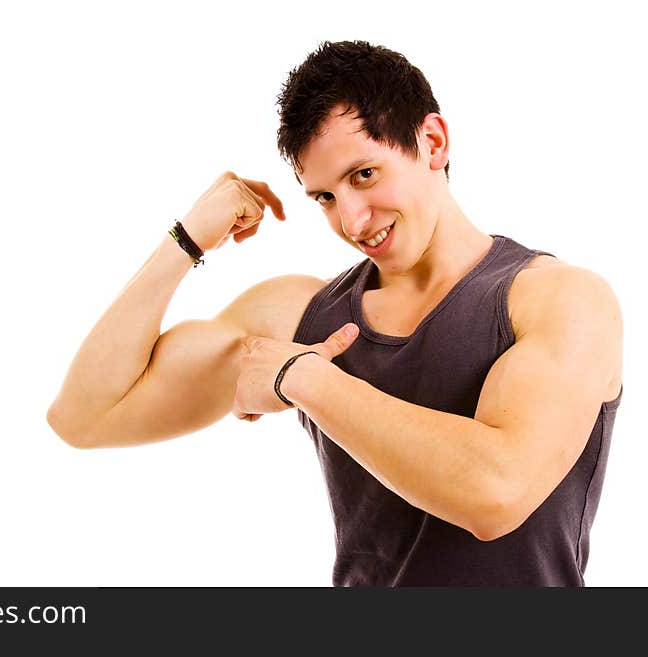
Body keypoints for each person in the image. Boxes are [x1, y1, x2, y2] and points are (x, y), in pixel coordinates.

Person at [46, 40, 623, 586]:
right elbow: (86, 416)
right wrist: (186, 240)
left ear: (433, 142)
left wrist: (304, 379)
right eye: (324, 197)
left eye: (363, 175)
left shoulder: (559, 299)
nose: (351, 221)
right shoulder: (299, 312)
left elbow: (496, 493)